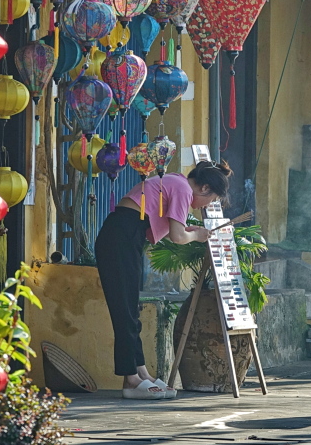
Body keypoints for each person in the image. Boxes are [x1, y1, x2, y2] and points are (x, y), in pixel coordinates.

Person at [95, 161, 232, 399]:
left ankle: (141, 373)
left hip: (125, 235)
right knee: (125, 310)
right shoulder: (183, 189)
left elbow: (169, 230)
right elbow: (179, 237)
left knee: (131, 309)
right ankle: (131, 381)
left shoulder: (176, 182)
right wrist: (197, 235)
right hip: (121, 236)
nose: (204, 207)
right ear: (204, 188)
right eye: (210, 201)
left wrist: (189, 231)